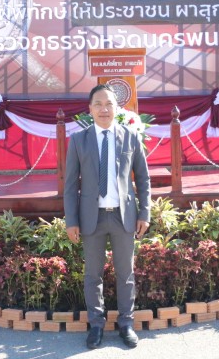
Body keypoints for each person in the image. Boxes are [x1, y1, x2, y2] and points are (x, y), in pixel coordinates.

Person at [64, 84, 151, 349]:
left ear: (116, 107)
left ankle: (126, 324)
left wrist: (145, 213)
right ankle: (96, 325)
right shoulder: (79, 140)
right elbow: (70, 185)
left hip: (124, 217)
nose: (104, 109)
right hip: (92, 218)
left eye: (109, 104)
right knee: (93, 275)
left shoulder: (131, 137)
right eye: (98, 104)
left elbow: (143, 179)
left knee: (126, 274)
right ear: (90, 109)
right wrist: (71, 220)